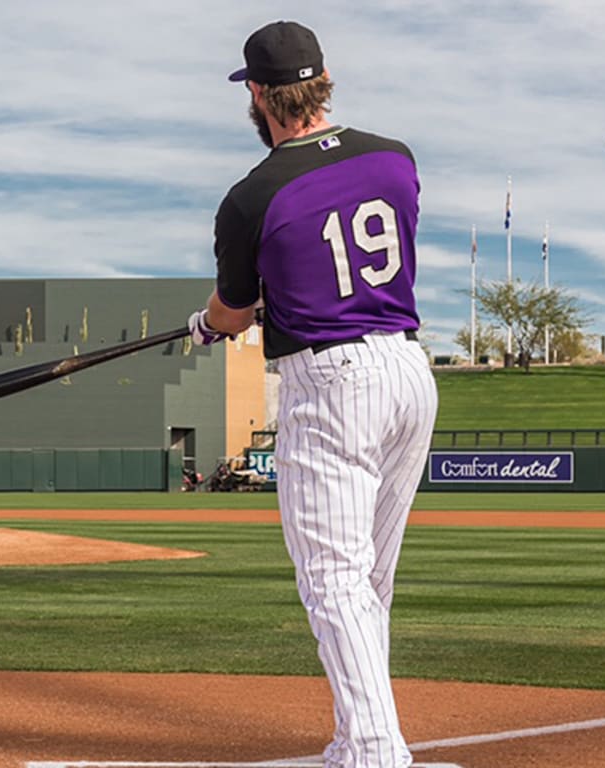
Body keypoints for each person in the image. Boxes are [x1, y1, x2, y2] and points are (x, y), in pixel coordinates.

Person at [187, 21, 439, 768]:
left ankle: (373, 752)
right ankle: (355, 739)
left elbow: (233, 311)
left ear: (259, 95)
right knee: (366, 584)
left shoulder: (250, 196)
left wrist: (206, 324)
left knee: (334, 583)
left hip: (331, 383)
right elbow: (341, 255)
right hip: (407, 370)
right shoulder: (395, 157)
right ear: (324, 80)